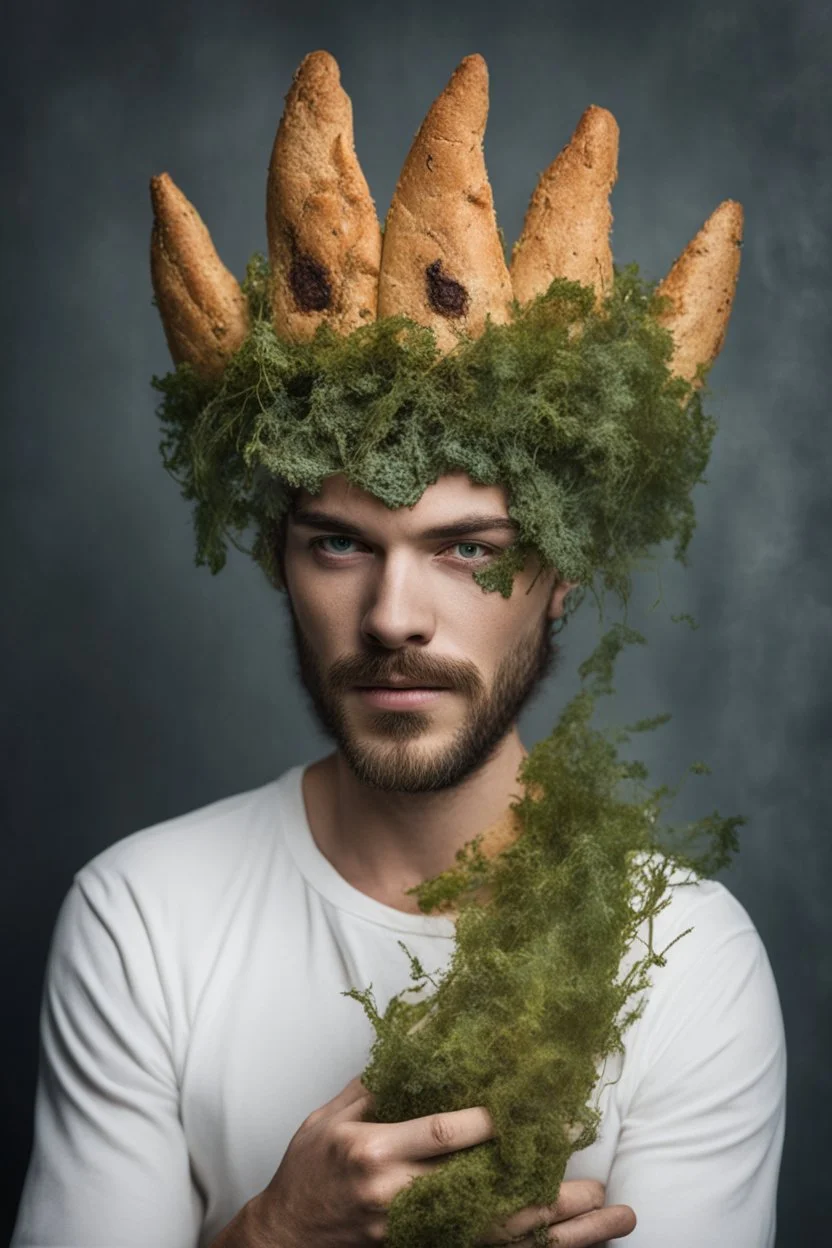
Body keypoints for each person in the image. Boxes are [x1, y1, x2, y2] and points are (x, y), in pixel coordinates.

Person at [11, 49, 786, 1248]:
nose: (392, 617)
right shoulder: (141, 915)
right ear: (275, 555)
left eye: (468, 549)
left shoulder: (687, 958)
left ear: (562, 567)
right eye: (339, 545)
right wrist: (272, 1233)